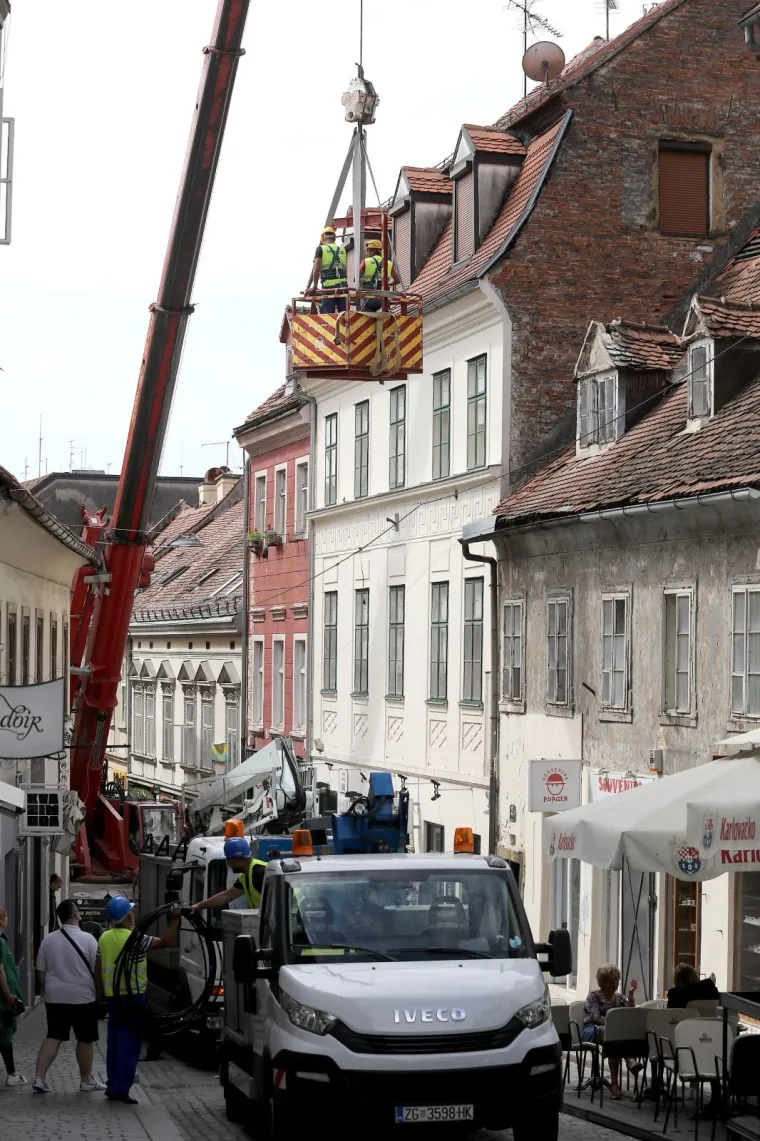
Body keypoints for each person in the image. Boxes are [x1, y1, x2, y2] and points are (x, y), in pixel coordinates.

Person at [97, 896, 181, 1104]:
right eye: (131, 911)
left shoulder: (104, 938)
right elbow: (166, 942)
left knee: (115, 1041)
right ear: (128, 916)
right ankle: (121, 1089)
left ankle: (112, 1084)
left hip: (113, 998)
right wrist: (174, 920)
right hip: (133, 998)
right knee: (130, 1043)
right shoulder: (136, 939)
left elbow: (98, 967)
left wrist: (100, 992)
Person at [33, 899, 106, 1094]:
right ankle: (86, 1080)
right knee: (85, 1039)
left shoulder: (48, 940)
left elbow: (41, 972)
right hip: (83, 997)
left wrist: (47, 990)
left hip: (55, 997)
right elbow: (97, 968)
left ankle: (39, 1078)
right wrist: (99, 990)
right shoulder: (89, 939)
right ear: (76, 915)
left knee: (53, 1036)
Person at [668, 963, 721, 1118]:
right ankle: (718, 1099)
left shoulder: (676, 995)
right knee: (711, 1052)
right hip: (712, 1043)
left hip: (685, 1048)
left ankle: (657, 1088)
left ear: (677, 980)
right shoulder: (710, 989)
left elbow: (670, 1020)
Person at [582, 964, 641, 1099]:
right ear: (603, 982)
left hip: (614, 1035)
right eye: (611, 980)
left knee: (615, 1040)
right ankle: (629, 1059)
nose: (615, 983)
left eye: (617, 979)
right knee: (613, 1035)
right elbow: (594, 1017)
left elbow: (631, 1014)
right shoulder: (594, 996)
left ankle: (615, 1084)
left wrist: (631, 994)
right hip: (594, 1030)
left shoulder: (620, 998)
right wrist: (614, 1024)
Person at [190, 837, 268, 913]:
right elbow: (226, 896)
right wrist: (199, 906)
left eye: (229, 859)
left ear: (239, 858)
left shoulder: (259, 872)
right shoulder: (245, 876)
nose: (228, 863)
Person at [0, 907, 27, 1087]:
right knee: (5, 1033)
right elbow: (0, 970)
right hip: (3, 1000)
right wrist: (8, 994)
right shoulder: (0, 943)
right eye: (6, 917)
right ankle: (12, 1074)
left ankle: (12, 1073)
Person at [308, 226, 348, 314]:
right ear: (334, 237)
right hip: (343, 287)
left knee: (327, 316)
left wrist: (314, 286)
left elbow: (316, 268)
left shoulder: (321, 248)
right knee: (344, 315)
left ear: (323, 237)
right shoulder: (342, 249)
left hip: (329, 288)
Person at [359, 239, 400, 311]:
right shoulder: (389, 263)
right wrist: (388, 284)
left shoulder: (366, 261)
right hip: (384, 298)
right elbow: (397, 280)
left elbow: (356, 278)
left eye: (368, 250)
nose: (367, 253)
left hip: (369, 296)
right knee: (385, 316)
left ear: (373, 250)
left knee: (366, 315)